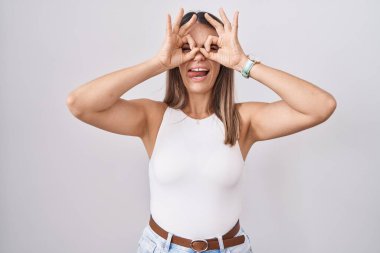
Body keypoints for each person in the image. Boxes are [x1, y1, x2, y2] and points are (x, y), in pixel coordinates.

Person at [66, 7, 337, 253]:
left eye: (211, 48)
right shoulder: (153, 118)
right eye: (186, 48)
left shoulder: (242, 120)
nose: (198, 57)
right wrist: (158, 63)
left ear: (222, 59)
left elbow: (321, 106)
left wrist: (243, 62)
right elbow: (80, 104)